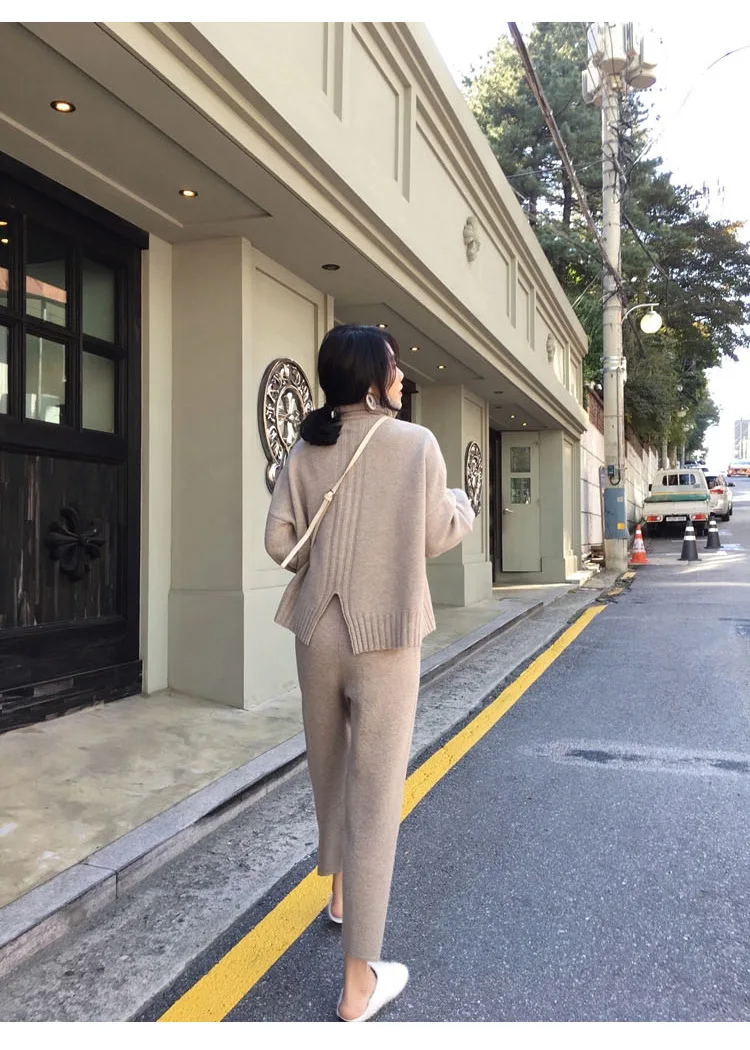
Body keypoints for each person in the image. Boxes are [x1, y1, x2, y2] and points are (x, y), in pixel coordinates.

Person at [264, 324, 475, 1021]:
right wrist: (464, 506)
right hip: (385, 634)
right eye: (394, 367)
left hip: (316, 630)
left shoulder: (306, 448)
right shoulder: (416, 444)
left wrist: (325, 552)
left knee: (328, 764)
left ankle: (338, 893)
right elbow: (437, 534)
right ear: (371, 379)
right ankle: (358, 986)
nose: (402, 377)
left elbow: (277, 541)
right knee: (377, 793)